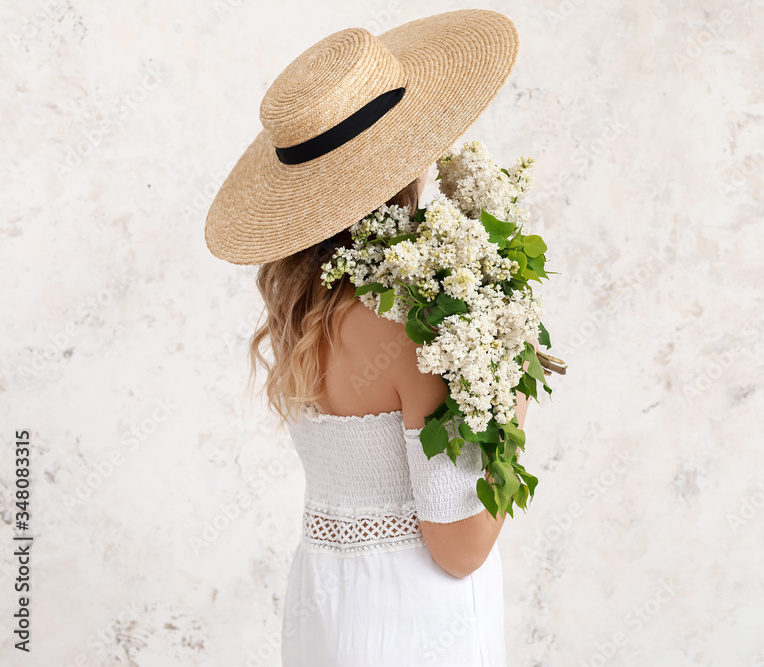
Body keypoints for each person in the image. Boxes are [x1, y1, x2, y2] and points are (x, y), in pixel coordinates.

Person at [204, 9, 523, 666]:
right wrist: (509, 390)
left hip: (326, 610)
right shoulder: (419, 322)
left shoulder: (301, 311)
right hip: (416, 625)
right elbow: (458, 547)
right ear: (405, 159)